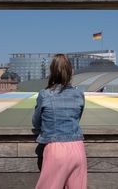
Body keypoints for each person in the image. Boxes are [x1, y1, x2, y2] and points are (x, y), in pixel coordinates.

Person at [32, 54, 87, 189]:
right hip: (78, 149)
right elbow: (77, 118)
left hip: (56, 149)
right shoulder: (79, 94)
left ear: (52, 72)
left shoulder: (45, 94)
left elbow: (36, 122)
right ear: (70, 71)